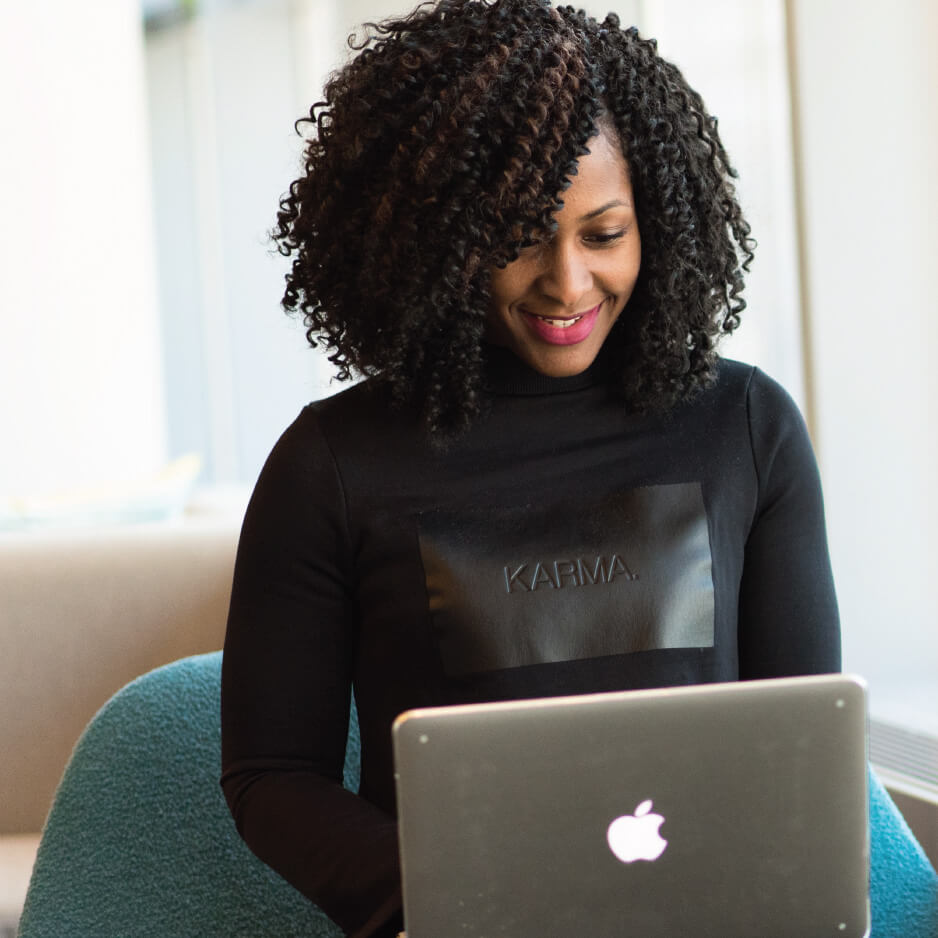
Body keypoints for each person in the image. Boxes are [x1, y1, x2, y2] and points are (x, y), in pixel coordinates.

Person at [220, 1, 840, 936]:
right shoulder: (331, 467)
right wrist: (456, 900)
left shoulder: (745, 428)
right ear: (438, 234)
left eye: (603, 234)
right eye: (516, 236)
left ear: (657, 225)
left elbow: (805, 746)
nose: (566, 283)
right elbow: (273, 778)